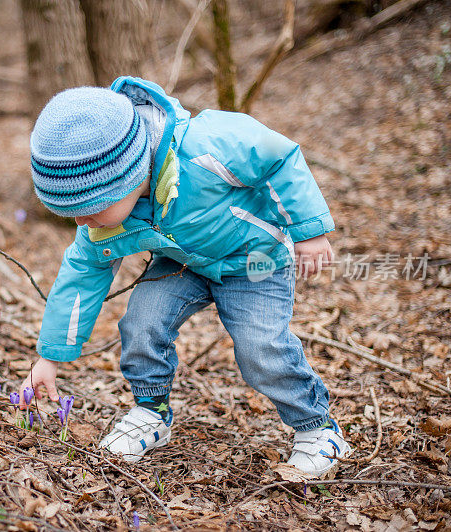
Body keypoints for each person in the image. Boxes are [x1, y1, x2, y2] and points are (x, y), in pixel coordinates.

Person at [17, 76, 350, 477]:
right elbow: (81, 276)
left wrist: (310, 231)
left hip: (254, 260)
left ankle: (318, 430)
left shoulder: (207, 144)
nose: (81, 221)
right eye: (70, 212)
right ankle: (151, 412)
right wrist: (50, 357)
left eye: (90, 208)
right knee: (140, 324)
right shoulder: (102, 221)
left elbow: (278, 156)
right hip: (184, 265)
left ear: (127, 176)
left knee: (260, 346)